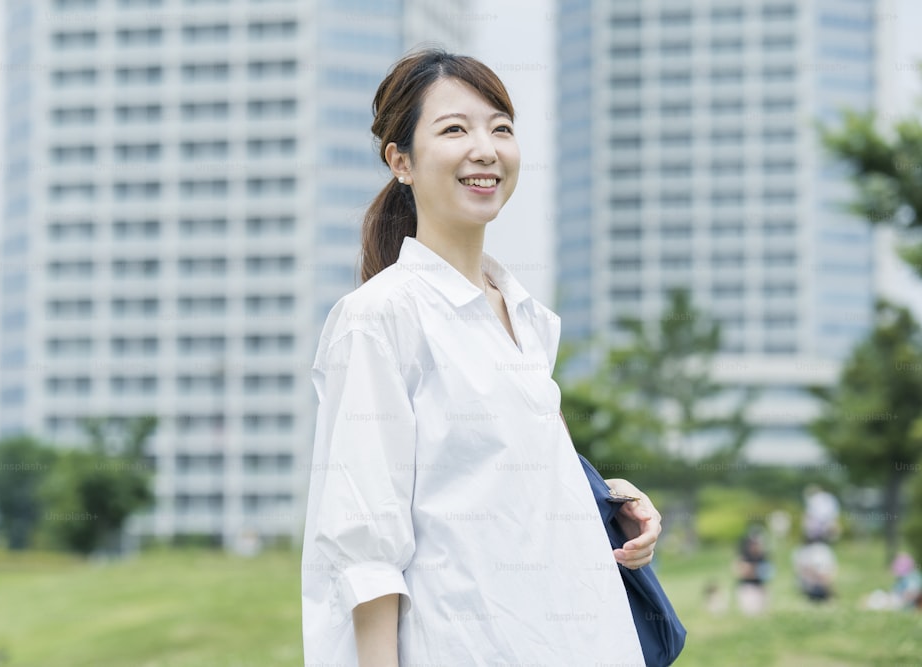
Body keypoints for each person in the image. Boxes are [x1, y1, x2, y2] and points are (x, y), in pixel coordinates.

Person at [301, 49, 663, 666]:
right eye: (454, 129)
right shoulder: (379, 317)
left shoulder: (525, 316)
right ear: (402, 161)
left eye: (500, 127)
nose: (485, 148)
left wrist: (611, 500)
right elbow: (365, 548)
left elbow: (508, 482)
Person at [735, 525, 771, 615]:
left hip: (761, 587)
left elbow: (768, 573)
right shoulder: (744, 557)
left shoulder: (763, 557)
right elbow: (743, 572)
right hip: (748, 588)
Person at [792, 537, 837, 603]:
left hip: (821, 578)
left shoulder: (823, 550)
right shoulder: (804, 552)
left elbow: (832, 568)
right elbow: (804, 569)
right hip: (810, 579)